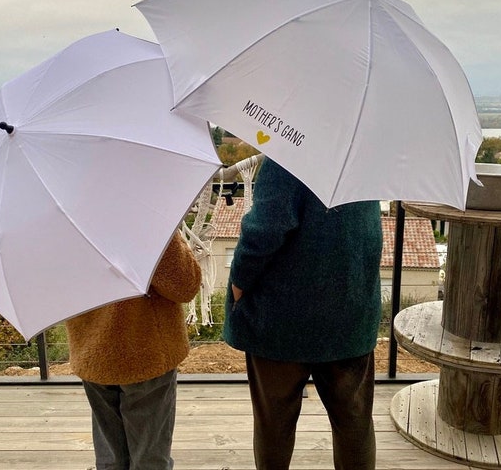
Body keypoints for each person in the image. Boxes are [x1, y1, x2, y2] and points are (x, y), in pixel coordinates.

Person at [223, 158, 383, 470]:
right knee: (354, 424)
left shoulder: (290, 151)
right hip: (349, 316)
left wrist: (239, 283)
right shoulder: (364, 157)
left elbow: (263, 231)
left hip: (279, 324)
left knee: (274, 425)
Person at [66, 231, 201, 470]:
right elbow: (184, 285)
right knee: (150, 459)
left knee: (110, 459)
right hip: (145, 352)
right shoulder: (141, 216)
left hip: (92, 351)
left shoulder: (61, 220)